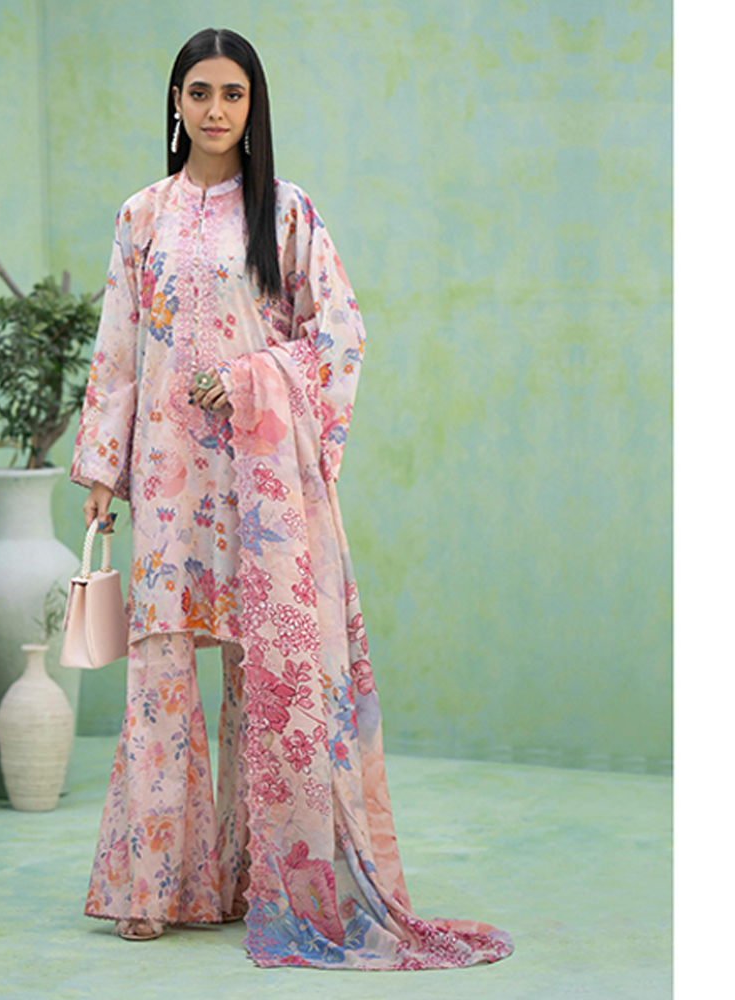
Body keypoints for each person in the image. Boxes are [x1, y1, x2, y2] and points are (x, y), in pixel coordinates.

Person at [70, 27, 514, 970]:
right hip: (166, 476)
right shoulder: (141, 216)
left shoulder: (285, 211)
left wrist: (250, 380)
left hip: (257, 482)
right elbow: (118, 348)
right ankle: (153, 887)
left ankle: (257, 879)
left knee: (261, 676)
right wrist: (103, 471)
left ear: (253, 106)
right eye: (199, 92)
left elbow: (339, 335)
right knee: (159, 672)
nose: (215, 110)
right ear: (176, 102)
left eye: (232, 94)